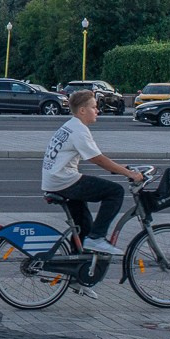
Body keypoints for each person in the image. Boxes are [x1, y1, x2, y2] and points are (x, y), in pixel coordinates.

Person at [42, 89, 146, 260]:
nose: (97, 111)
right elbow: (98, 159)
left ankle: (77, 270)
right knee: (115, 192)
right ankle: (97, 238)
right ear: (82, 110)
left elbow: (100, 159)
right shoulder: (79, 130)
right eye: (94, 107)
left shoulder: (70, 125)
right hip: (64, 181)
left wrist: (121, 168)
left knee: (83, 225)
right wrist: (128, 173)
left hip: (55, 180)